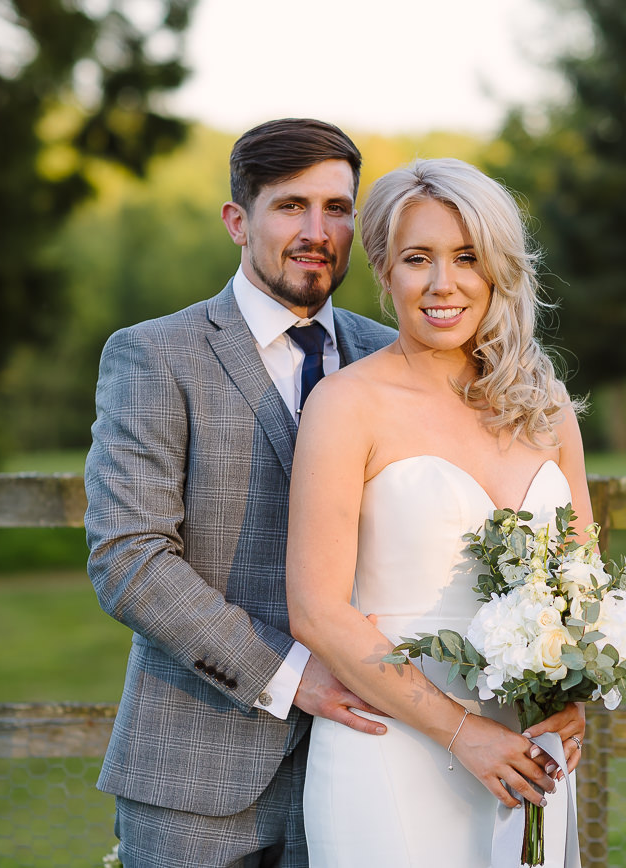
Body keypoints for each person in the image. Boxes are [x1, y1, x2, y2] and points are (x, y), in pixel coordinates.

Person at [84, 118, 400, 867]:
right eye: (291, 206)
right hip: (197, 770)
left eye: (337, 208)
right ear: (238, 220)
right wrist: (292, 677)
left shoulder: (393, 358)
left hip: (370, 765)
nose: (317, 231)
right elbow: (129, 559)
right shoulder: (155, 355)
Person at [285, 158, 590, 866]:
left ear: (498, 271)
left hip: (528, 756)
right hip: (391, 753)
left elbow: (585, 589)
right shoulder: (345, 405)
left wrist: (573, 699)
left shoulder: (548, 411)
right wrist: (461, 732)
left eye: (466, 258)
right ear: (385, 271)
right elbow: (317, 611)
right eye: (418, 258)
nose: (443, 283)